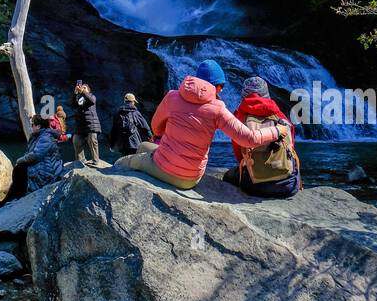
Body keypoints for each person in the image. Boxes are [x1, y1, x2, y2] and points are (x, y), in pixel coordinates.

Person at [117, 58, 288, 190]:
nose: (220, 91)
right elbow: (248, 138)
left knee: (128, 160)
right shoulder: (218, 108)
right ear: (217, 86)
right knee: (144, 146)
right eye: (221, 86)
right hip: (191, 178)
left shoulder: (172, 96)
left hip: (165, 167)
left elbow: (156, 128)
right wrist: (278, 130)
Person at [224, 75, 301, 198]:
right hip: (288, 186)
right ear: (266, 93)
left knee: (227, 176)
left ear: (244, 94)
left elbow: (240, 156)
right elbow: (290, 148)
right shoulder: (280, 116)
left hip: (255, 187)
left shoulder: (239, 118)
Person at [17, 114, 66, 193]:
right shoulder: (37, 136)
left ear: (38, 126)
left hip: (48, 172)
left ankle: (21, 197)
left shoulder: (45, 137)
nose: (31, 126)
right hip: (44, 167)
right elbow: (29, 152)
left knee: (20, 169)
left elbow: (36, 155)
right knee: (19, 168)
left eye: (32, 124)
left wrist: (21, 160)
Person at [71, 81, 102, 165]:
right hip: (80, 126)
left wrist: (82, 92)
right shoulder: (80, 99)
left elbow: (91, 100)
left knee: (92, 140)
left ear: (88, 90)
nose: (82, 89)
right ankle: (81, 160)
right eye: (81, 87)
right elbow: (73, 105)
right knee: (76, 140)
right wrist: (75, 93)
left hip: (91, 124)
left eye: (84, 88)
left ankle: (95, 160)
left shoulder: (91, 96)